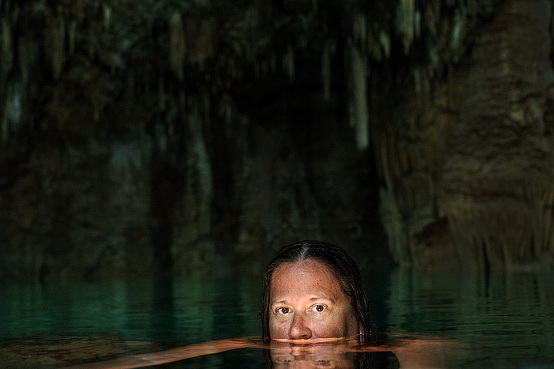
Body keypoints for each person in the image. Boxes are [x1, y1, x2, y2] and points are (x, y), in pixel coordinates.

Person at [67, 240, 454, 369]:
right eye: (283, 310)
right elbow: (145, 363)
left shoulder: (407, 349)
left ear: (357, 314)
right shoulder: (248, 345)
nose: (297, 331)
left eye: (318, 308)